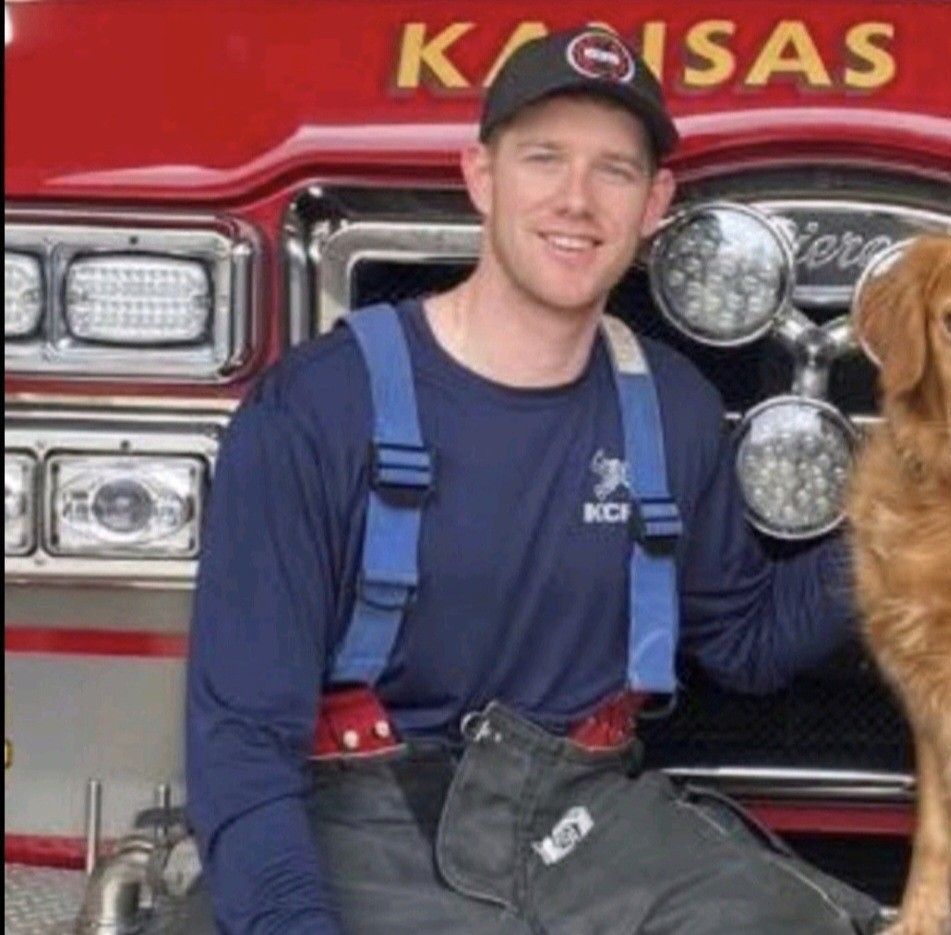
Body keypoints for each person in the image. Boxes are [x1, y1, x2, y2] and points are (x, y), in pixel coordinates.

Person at [186, 27, 884, 935]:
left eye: (614, 172)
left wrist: (917, 519)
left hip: (582, 817)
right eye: (544, 158)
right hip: (361, 814)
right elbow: (241, 741)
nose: (576, 201)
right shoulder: (318, 408)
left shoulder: (670, 406)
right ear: (481, 175)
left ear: (654, 203)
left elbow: (745, 640)